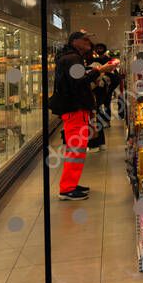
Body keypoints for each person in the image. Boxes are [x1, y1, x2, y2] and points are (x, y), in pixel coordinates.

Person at [50, 30, 101, 200]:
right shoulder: (72, 59)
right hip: (75, 111)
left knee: (77, 150)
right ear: (74, 42)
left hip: (75, 110)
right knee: (75, 151)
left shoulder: (70, 58)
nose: (88, 42)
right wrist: (98, 71)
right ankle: (67, 189)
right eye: (84, 39)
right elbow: (80, 83)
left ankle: (71, 183)